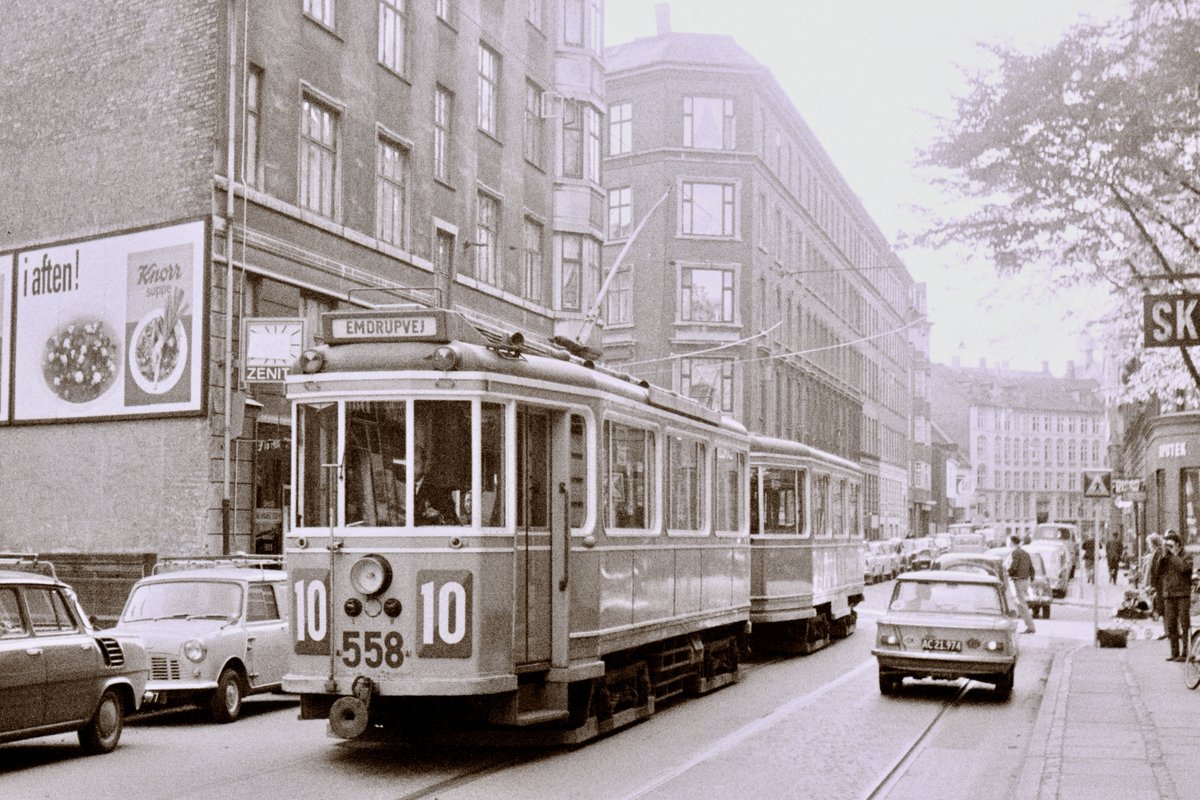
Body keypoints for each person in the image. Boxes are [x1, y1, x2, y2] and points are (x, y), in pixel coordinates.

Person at [1159, 532, 1194, 661]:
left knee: (1184, 624)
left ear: (1178, 544)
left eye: (1171, 545)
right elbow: (1159, 572)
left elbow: (1185, 569)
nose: (1169, 547)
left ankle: (1185, 654)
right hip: (1169, 595)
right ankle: (1174, 653)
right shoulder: (1166, 557)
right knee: (1171, 625)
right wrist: (1164, 556)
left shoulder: (1186, 555)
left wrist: (1174, 555)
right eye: (1167, 545)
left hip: (1182, 595)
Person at [413, 446, 460, 526]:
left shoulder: (439, 490)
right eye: (406, 463)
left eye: (415, 463)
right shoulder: (401, 488)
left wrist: (439, 516)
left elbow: (451, 519)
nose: (409, 468)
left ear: (424, 464)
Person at [1007, 534, 1037, 634]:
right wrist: (1031, 578)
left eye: (1009, 542)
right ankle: (1028, 625)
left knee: (1021, 604)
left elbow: (1014, 567)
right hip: (1025, 580)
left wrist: (1007, 573)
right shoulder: (1025, 553)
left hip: (1018, 580)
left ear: (1012, 542)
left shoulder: (1015, 552)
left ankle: (1030, 626)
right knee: (1019, 604)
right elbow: (1032, 568)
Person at [1145, 533, 1167, 635]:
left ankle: (1167, 630)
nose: (1148, 546)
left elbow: (1155, 569)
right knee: (1162, 606)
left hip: (1160, 583)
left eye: (1149, 544)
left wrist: (1152, 584)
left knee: (1163, 606)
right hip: (1160, 583)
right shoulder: (1159, 551)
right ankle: (1166, 629)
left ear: (1153, 543)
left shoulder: (1157, 553)